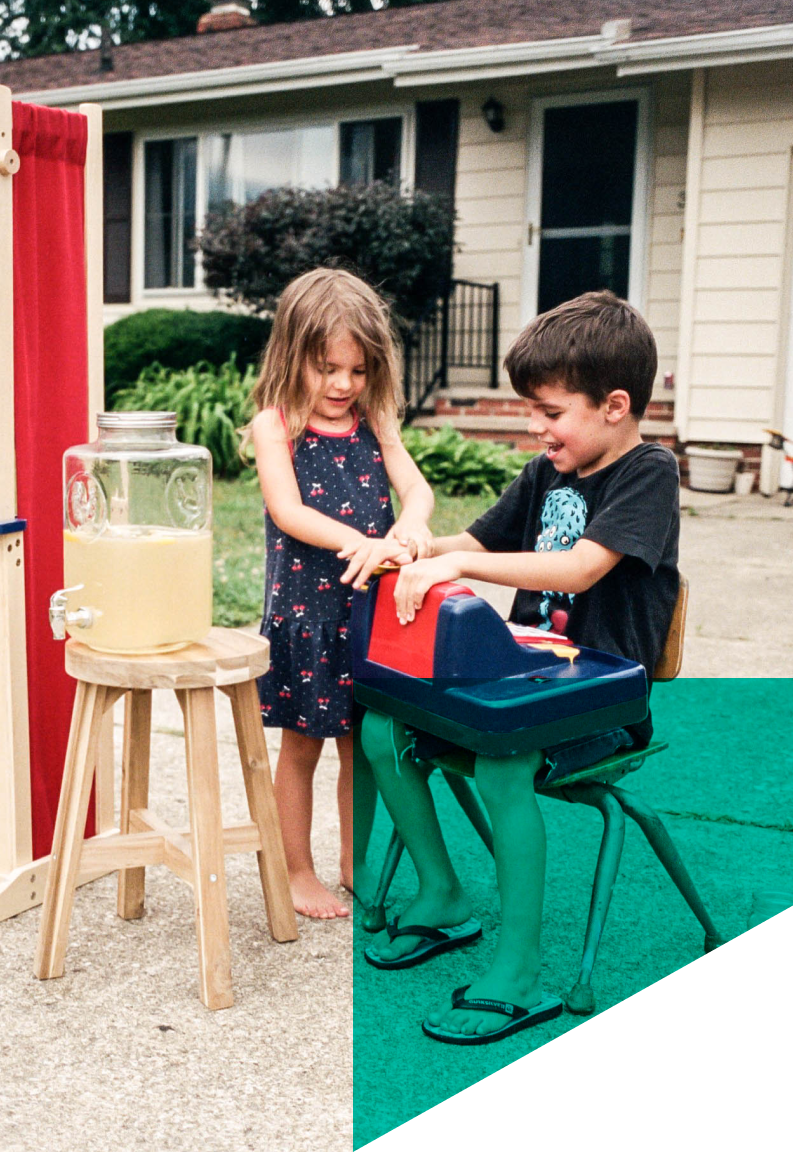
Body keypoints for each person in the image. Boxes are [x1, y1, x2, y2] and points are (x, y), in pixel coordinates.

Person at [359, 290, 681, 1043]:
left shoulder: (648, 474)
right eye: (531, 412)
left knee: (503, 763)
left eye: (550, 412)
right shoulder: (547, 474)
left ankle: (518, 966)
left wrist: (466, 562)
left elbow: (578, 571)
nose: (535, 429)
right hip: (519, 684)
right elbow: (465, 541)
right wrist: (411, 547)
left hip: (604, 707)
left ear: (615, 405)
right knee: (385, 727)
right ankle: (441, 894)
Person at [249, 268, 435, 920]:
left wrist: (409, 526)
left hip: (369, 620)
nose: (342, 385)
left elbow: (417, 489)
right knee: (302, 747)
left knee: (364, 748)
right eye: (326, 368)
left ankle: (354, 866)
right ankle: (295, 870)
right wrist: (361, 542)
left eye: (357, 371)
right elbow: (289, 510)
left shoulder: (373, 419)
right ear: (292, 354)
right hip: (308, 619)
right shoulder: (276, 426)